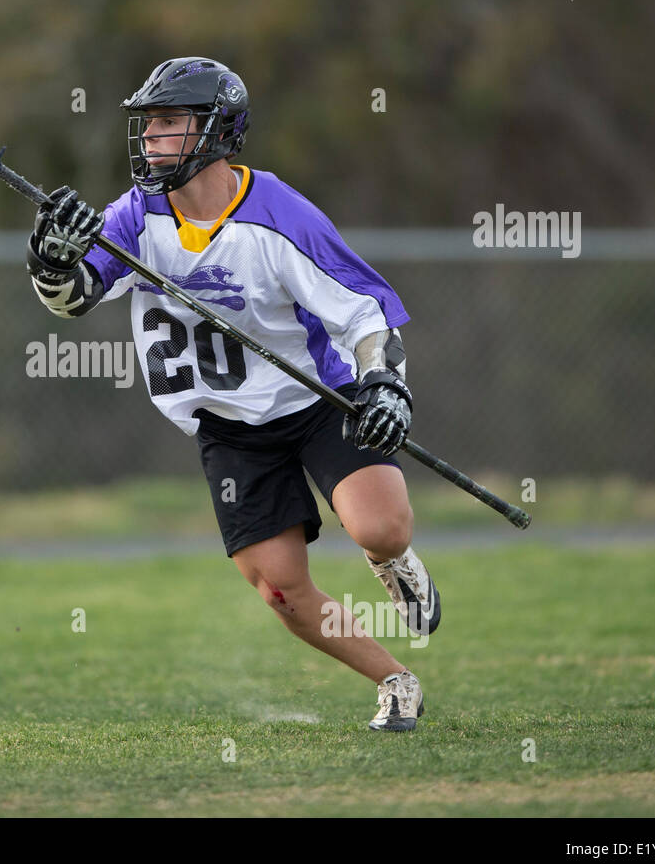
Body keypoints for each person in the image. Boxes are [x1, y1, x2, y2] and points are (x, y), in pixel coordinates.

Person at [25, 58, 438, 731]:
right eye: (147, 124)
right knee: (280, 586)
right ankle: (395, 677)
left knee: (381, 526)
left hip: (315, 401)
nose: (151, 137)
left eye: (166, 122)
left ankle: (391, 561)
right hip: (228, 428)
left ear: (215, 132)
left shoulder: (279, 215)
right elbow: (73, 299)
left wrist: (384, 384)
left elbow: (364, 310)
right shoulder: (135, 216)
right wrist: (49, 261)